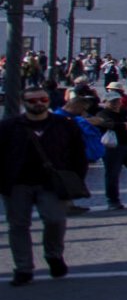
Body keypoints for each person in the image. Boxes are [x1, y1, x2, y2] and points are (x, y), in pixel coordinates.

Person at [3, 87, 88, 284]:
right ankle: (23, 268)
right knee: (18, 226)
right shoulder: (9, 126)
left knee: (55, 219)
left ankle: (53, 255)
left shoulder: (65, 125)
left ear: (49, 101)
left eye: (42, 99)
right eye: (32, 101)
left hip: (52, 183)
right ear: (24, 103)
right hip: (17, 183)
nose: (38, 103)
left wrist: (76, 180)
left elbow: (78, 155)